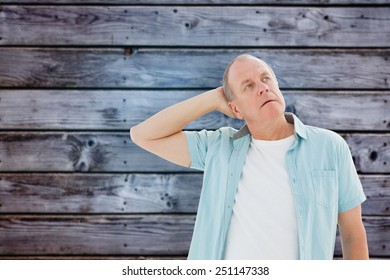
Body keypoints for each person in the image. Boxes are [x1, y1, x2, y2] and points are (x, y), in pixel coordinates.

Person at [130, 54, 369, 260]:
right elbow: (143, 135)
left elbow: (352, 232)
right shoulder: (217, 147)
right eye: (248, 86)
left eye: (266, 78)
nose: (263, 87)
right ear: (235, 109)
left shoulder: (330, 147)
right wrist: (212, 99)